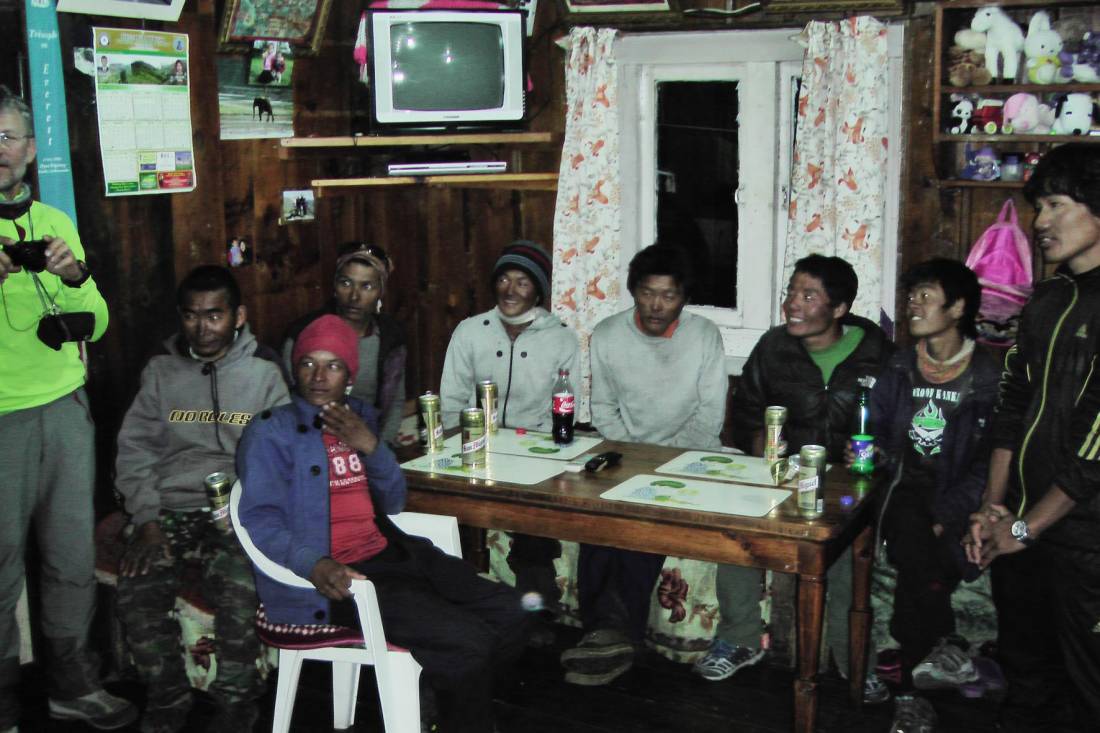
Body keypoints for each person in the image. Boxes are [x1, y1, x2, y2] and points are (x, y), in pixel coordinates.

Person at [238, 315, 530, 733]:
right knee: (468, 642)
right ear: (294, 368)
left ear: (349, 376)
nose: (319, 376)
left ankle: (440, 694)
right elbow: (260, 519)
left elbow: (392, 501)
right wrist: (314, 564)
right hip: (338, 578)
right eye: (308, 363)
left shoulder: (358, 418)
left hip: (393, 555)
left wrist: (372, 447)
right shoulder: (271, 432)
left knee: (513, 612)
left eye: (333, 365)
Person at [0, 88, 136, 731]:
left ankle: (72, 685)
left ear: (30, 149)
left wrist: (74, 274)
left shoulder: (54, 220)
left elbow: (98, 321)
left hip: (63, 409)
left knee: (70, 557)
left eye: (8, 138)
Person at [699, 255, 893, 700]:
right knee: (736, 533)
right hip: (782, 476)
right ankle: (740, 639)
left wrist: (879, 451)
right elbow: (746, 413)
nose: (792, 304)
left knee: (845, 556)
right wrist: (760, 450)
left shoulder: (877, 355)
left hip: (848, 484)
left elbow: (897, 422)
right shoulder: (773, 348)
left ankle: (855, 662)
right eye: (791, 293)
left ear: (839, 309)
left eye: (808, 296)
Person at [114, 266, 290, 733]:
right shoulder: (160, 372)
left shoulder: (264, 375)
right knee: (138, 590)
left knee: (239, 586)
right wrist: (146, 520)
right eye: (192, 316)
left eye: (214, 315)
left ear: (238, 317)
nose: (202, 327)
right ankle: (167, 699)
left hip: (237, 509)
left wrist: (249, 514)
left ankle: (235, 704)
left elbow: (279, 457)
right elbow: (134, 451)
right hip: (169, 507)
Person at [967, 142, 1100, 733]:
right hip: (1021, 529)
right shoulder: (1046, 300)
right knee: (1026, 679)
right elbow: (1011, 408)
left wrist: (1026, 528)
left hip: (1084, 541)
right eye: (1037, 207)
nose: (1039, 221)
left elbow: (1094, 448)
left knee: (1088, 686)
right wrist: (993, 509)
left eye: (1056, 205)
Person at [562, 243, 727, 686]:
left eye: (668, 295)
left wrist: (660, 461)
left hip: (689, 456)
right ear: (634, 291)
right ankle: (602, 629)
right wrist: (632, 456)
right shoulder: (608, 334)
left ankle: (613, 631)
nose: (656, 305)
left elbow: (710, 416)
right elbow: (603, 407)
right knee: (598, 516)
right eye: (647, 293)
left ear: (684, 298)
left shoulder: (704, 335)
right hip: (623, 452)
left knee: (643, 517)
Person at [861, 259, 998, 732]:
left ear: (957, 308)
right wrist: (868, 450)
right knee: (913, 533)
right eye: (911, 295)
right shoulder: (900, 366)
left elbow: (988, 463)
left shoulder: (986, 376)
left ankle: (909, 691)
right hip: (900, 493)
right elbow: (877, 433)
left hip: (956, 498)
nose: (913, 305)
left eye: (925, 296)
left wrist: (947, 513)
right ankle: (941, 646)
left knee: (919, 558)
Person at [439, 240, 580, 613]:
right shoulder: (470, 331)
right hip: (475, 449)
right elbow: (452, 401)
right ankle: (461, 604)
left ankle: (538, 610)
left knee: (533, 516)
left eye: (522, 282)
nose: (510, 290)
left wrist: (539, 454)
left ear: (538, 290)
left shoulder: (561, 337)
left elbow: (567, 407)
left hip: (535, 454)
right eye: (504, 279)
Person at [284, 243, 406, 446]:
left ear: (380, 292)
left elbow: (395, 403)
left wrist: (379, 449)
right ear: (334, 286)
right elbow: (286, 401)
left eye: (367, 286)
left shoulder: (390, 338)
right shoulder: (304, 334)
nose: (354, 296)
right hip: (310, 442)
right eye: (346, 283)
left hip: (369, 439)